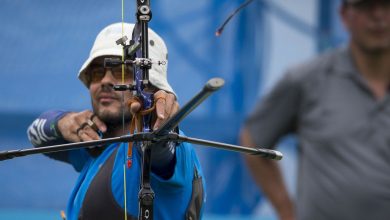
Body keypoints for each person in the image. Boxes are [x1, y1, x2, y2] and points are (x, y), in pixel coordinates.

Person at [27, 22, 205, 220]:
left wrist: (158, 129)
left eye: (122, 72)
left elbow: (160, 151)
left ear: (151, 86)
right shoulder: (95, 141)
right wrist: (63, 122)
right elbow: (35, 134)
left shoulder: (173, 150)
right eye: (97, 73)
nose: (105, 81)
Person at [240, 0, 390, 220]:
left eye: (387, 5)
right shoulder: (306, 80)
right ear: (344, 15)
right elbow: (252, 139)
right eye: (365, 5)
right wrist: (285, 209)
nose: (378, 16)